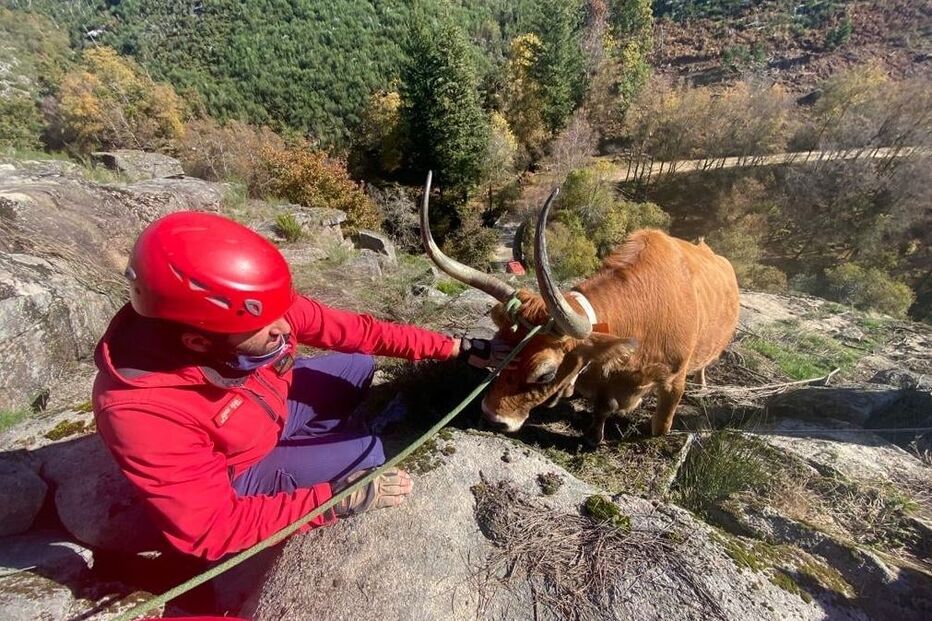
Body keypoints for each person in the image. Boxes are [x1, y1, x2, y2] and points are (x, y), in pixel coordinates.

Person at [93, 211, 507, 560]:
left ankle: (317, 444)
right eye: (266, 328)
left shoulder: (254, 309)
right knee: (373, 452)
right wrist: (333, 500)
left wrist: (454, 347)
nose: (285, 327)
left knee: (357, 364)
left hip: (269, 411)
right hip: (240, 469)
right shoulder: (140, 411)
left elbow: (361, 334)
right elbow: (209, 530)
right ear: (199, 341)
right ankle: (320, 457)